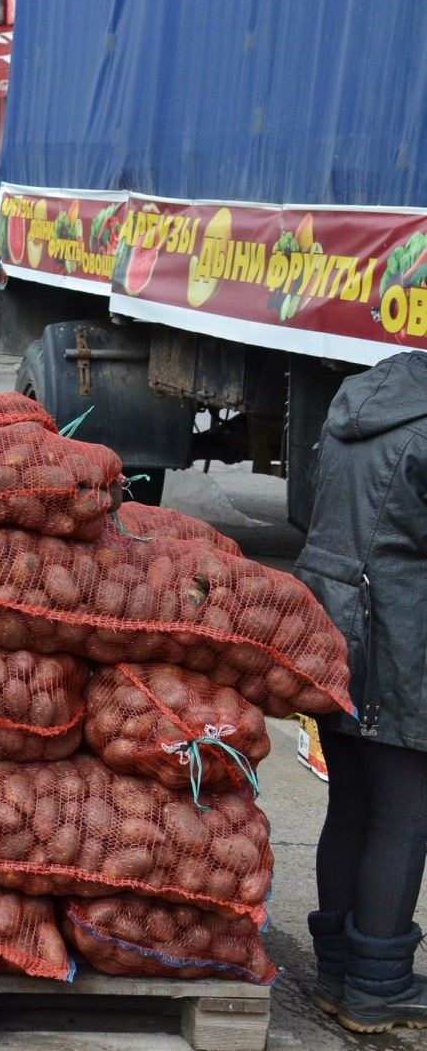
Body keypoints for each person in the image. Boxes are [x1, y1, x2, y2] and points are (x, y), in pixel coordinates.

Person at [296, 351, 427, 1034]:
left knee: (350, 803)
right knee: (404, 813)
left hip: (337, 629)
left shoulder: (363, 393)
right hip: (405, 637)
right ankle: (380, 987)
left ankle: (338, 974)